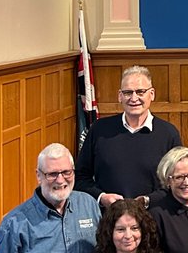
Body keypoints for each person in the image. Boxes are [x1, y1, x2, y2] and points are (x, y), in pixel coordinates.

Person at [75, 65, 182, 204]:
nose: (134, 98)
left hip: (153, 216)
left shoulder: (168, 133)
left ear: (152, 94)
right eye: (127, 93)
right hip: (108, 217)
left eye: (140, 92)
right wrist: (101, 197)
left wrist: (149, 200)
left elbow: (177, 180)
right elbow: (80, 177)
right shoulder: (99, 130)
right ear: (120, 96)